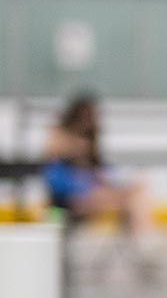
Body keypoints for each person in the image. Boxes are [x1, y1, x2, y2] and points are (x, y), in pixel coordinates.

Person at [42, 93, 146, 228]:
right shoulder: (60, 138)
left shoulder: (89, 141)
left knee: (136, 192)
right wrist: (78, 144)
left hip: (89, 192)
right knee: (131, 196)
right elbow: (54, 154)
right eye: (89, 116)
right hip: (68, 201)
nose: (92, 121)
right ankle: (143, 242)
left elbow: (98, 169)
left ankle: (142, 242)